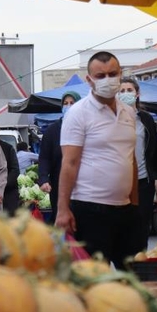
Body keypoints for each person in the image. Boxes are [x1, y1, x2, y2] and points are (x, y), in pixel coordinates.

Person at [55, 52, 138, 269]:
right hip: (90, 209)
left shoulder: (129, 112)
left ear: (120, 74)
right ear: (89, 80)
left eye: (112, 74)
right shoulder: (77, 113)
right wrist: (63, 209)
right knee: (93, 279)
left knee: (132, 276)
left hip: (125, 210)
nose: (107, 79)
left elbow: (131, 159)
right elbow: (69, 163)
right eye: (100, 76)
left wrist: (135, 203)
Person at [117, 77, 157, 250]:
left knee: (142, 224)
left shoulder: (146, 119)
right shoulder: (111, 118)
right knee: (122, 224)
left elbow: (154, 150)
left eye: (129, 90)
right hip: (119, 182)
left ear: (137, 94)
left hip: (144, 181)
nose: (125, 94)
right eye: (121, 91)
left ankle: (140, 260)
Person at [37, 91, 80, 224]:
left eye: (72, 103)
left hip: (82, 185)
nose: (68, 106)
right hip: (58, 184)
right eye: (65, 103)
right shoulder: (52, 131)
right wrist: (43, 179)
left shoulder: (85, 128)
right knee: (61, 221)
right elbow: (44, 158)